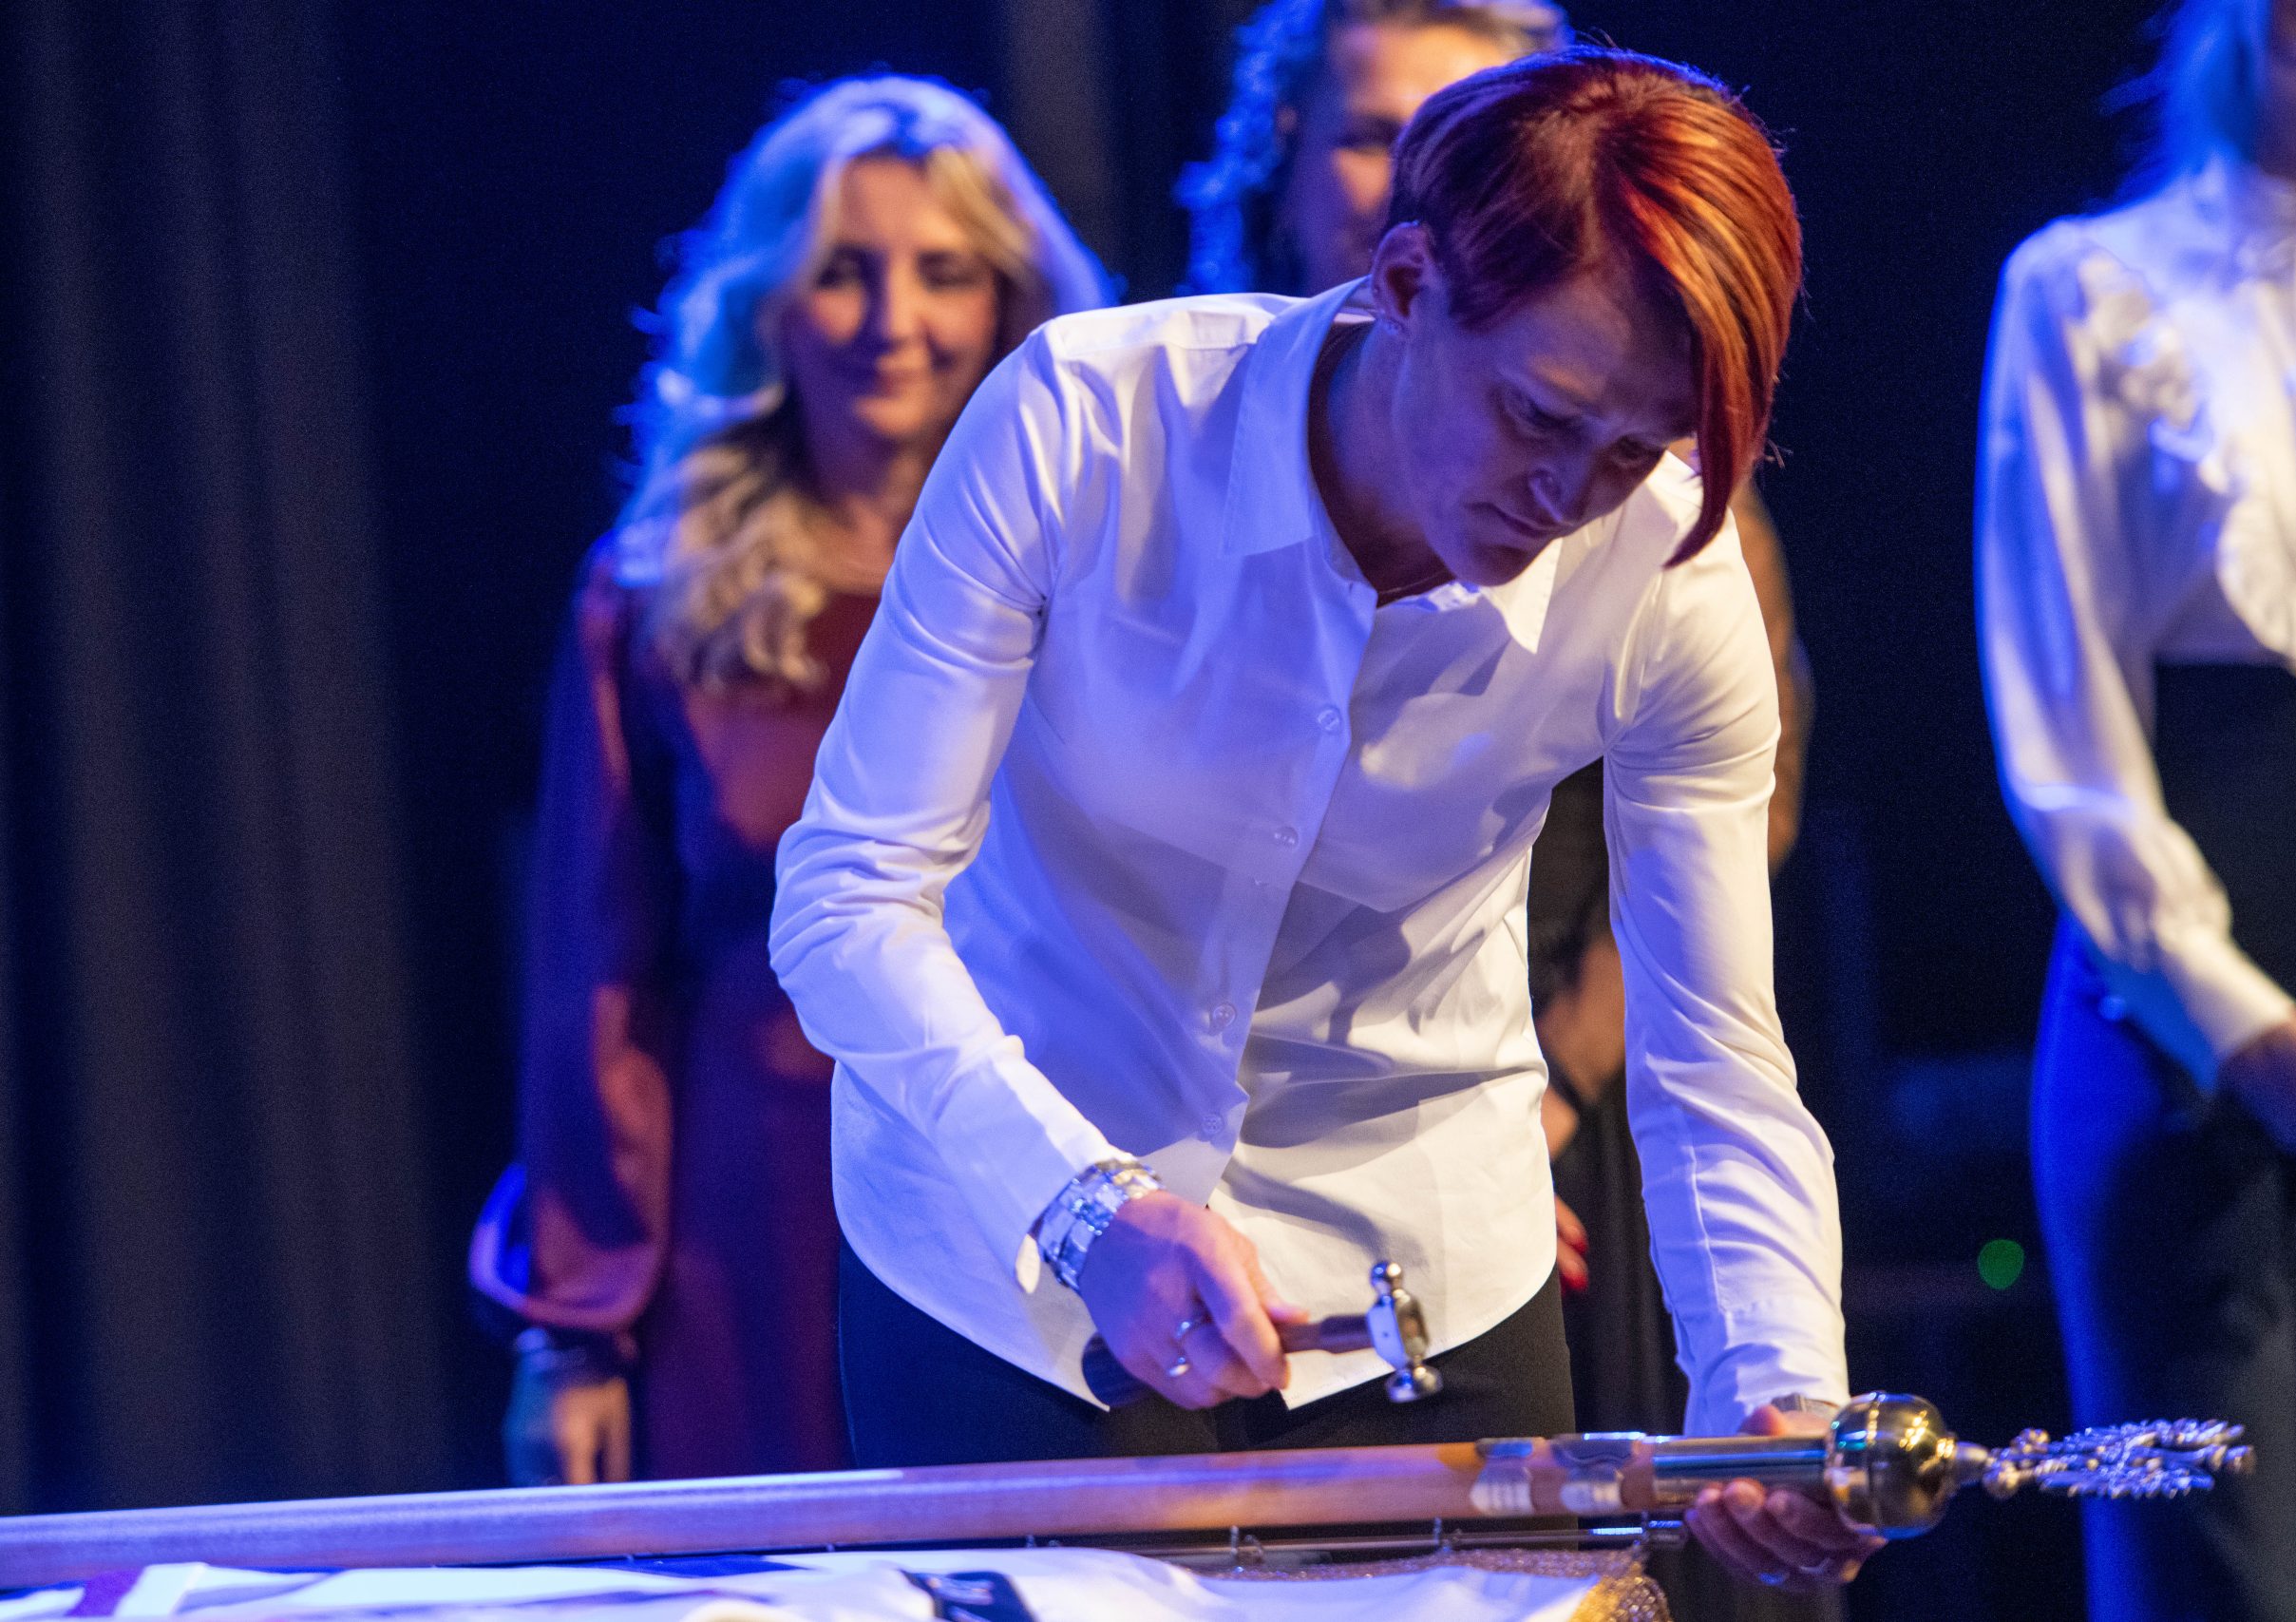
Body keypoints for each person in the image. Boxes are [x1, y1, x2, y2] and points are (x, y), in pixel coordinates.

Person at [773, 47, 1876, 1595]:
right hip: (1016, 1245)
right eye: (1538, 415)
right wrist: (1089, 1207)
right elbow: (847, 899)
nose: (1570, 498)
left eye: (1631, 450)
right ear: (1406, 284)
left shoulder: (1670, 586)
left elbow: (1713, 1052)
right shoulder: (1089, 425)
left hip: (1420, 1255)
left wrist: (1775, 1381)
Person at [1177, 0, 1820, 1533]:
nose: (1428, 168)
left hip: (1534, 1096)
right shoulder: (1160, 430)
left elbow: (1714, 989)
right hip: (1160, 1175)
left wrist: (1535, 1110)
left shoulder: (1660, 532)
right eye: (1373, 134)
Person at [465, 75, 1110, 1487]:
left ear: (1011, 303)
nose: (895, 321)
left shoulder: (1105, 574)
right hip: (755, 1213)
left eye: (945, 272)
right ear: (767, 305)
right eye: (841, 272)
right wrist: (573, 1333)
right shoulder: (661, 599)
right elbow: (598, 977)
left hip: (1044, 1188)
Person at [1977, 0, 2296, 1615]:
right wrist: (2232, 1022)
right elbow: (2061, 710)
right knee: (2209, 1563)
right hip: (2169, 984)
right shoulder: (2079, 288)